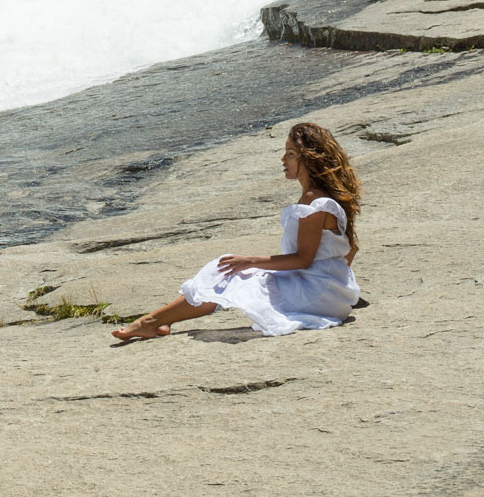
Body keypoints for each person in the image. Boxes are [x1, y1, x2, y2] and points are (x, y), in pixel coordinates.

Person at [112, 121, 362, 342]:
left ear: (308, 158)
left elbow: (303, 259)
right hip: (330, 295)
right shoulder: (324, 197)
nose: (283, 160)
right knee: (234, 270)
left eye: (290, 154)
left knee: (227, 269)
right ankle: (158, 321)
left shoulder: (314, 200)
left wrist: (250, 261)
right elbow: (351, 249)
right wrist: (336, 284)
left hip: (315, 295)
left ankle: (150, 322)